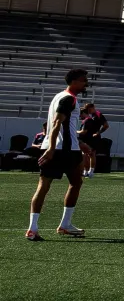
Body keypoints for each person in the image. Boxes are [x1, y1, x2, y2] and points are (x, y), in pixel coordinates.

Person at [28, 68, 91, 241]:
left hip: (56, 146)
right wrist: (52, 149)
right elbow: (57, 123)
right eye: (83, 80)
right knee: (76, 182)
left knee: (44, 186)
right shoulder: (69, 98)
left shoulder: (58, 96)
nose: (86, 83)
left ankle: (33, 228)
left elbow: (63, 126)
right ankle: (65, 224)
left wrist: (79, 143)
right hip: (65, 150)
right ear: (74, 81)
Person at [77, 103, 107, 178]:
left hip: (93, 138)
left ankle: (91, 171)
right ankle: (86, 171)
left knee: (91, 154)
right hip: (87, 138)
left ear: (93, 107)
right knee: (85, 154)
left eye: (89, 109)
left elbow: (106, 125)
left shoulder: (98, 115)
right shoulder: (89, 117)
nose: (88, 111)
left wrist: (98, 132)